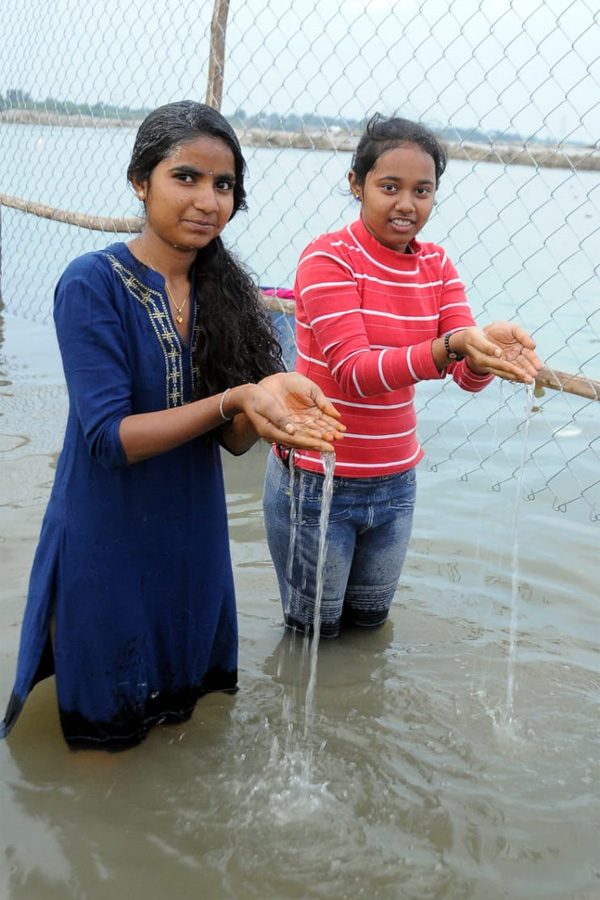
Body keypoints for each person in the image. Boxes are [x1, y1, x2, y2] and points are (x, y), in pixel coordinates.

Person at [0, 101, 344, 751]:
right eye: (185, 177)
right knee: (104, 735)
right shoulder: (92, 283)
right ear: (140, 180)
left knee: (185, 724)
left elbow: (230, 438)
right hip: (107, 536)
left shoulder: (225, 294)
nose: (207, 200)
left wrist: (266, 408)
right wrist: (235, 397)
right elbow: (108, 439)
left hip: (194, 542)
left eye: (223, 185)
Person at [262, 113, 543, 639]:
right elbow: (356, 371)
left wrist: (483, 356)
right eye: (389, 187)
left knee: (370, 629)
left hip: (395, 488)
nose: (407, 205)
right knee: (312, 638)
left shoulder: (437, 265)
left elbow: (463, 371)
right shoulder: (327, 259)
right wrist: (450, 347)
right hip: (317, 481)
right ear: (356, 184)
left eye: (423, 190)